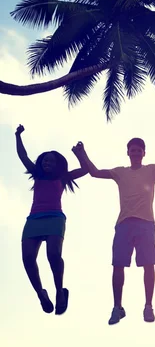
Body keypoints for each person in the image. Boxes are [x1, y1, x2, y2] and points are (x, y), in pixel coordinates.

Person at [77, 136, 155, 325]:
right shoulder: (120, 172)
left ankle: (148, 306)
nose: (136, 152)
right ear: (128, 152)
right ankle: (117, 307)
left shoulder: (152, 170)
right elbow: (95, 173)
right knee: (118, 265)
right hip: (124, 223)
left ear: (144, 153)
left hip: (146, 223)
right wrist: (82, 155)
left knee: (149, 265)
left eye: (139, 150)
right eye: (133, 150)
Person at [15, 124, 88, 315]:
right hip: (34, 220)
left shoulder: (63, 178)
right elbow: (23, 156)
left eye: (51, 162)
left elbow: (86, 169)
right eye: (45, 161)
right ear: (41, 163)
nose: (47, 163)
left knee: (53, 255)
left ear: (57, 165)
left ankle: (60, 292)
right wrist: (17, 136)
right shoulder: (36, 174)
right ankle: (41, 294)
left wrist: (80, 153)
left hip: (55, 218)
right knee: (28, 258)